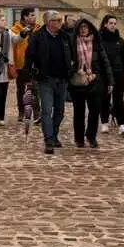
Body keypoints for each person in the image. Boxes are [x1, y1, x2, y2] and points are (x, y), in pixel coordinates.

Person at [24, 10, 74, 155]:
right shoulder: (37, 37)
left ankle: (54, 134)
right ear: (49, 22)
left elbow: (72, 54)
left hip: (62, 79)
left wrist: (72, 69)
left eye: (60, 20)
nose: (60, 22)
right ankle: (49, 140)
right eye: (57, 20)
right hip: (45, 79)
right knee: (46, 110)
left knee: (60, 111)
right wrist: (29, 76)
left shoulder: (65, 37)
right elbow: (29, 56)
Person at [70, 19, 114, 148]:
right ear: (77, 29)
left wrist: (110, 81)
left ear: (90, 28)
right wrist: (74, 71)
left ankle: (91, 136)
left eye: (86, 27)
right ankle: (79, 139)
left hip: (95, 80)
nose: (83, 29)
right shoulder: (72, 42)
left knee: (95, 110)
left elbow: (105, 62)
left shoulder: (96, 43)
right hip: (78, 81)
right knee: (79, 111)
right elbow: (68, 61)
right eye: (81, 27)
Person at [99, 14, 124, 135]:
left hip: (118, 73)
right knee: (104, 99)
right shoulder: (100, 39)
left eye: (115, 23)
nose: (113, 25)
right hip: (104, 73)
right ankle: (104, 123)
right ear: (105, 24)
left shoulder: (120, 40)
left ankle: (122, 124)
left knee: (119, 99)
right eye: (111, 23)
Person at [10, 7, 38, 122]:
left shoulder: (38, 29)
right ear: (25, 17)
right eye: (32, 15)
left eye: (34, 15)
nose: (34, 17)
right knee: (21, 90)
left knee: (35, 90)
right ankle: (21, 112)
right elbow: (13, 46)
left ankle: (37, 114)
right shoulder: (15, 30)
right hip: (21, 64)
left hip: (34, 64)